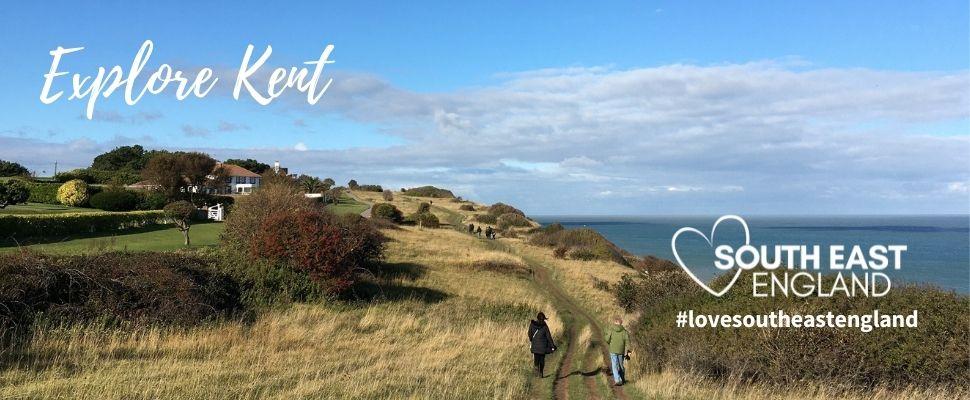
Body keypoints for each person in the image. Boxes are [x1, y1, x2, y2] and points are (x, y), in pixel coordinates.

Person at [528, 312, 556, 377]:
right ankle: (541, 372)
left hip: (535, 346)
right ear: (543, 319)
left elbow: (529, 333)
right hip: (543, 347)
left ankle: (536, 367)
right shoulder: (545, 326)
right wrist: (553, 346)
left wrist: (532, 339)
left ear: (537, 318)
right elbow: (549, 337)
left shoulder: (532, 324)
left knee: (536, 359)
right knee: (542, 360)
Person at [604, 315, 630, 385]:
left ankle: (618, 380)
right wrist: (628, 353)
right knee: (621, 365)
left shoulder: (611, 330)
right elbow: (628, 342)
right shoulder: (624, 331)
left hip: (613, 350)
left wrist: (610, 342)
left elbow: (607, 339)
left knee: (614, 365)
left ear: (615, 322)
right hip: (621, 351)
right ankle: (622, 378)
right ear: (621, 323)